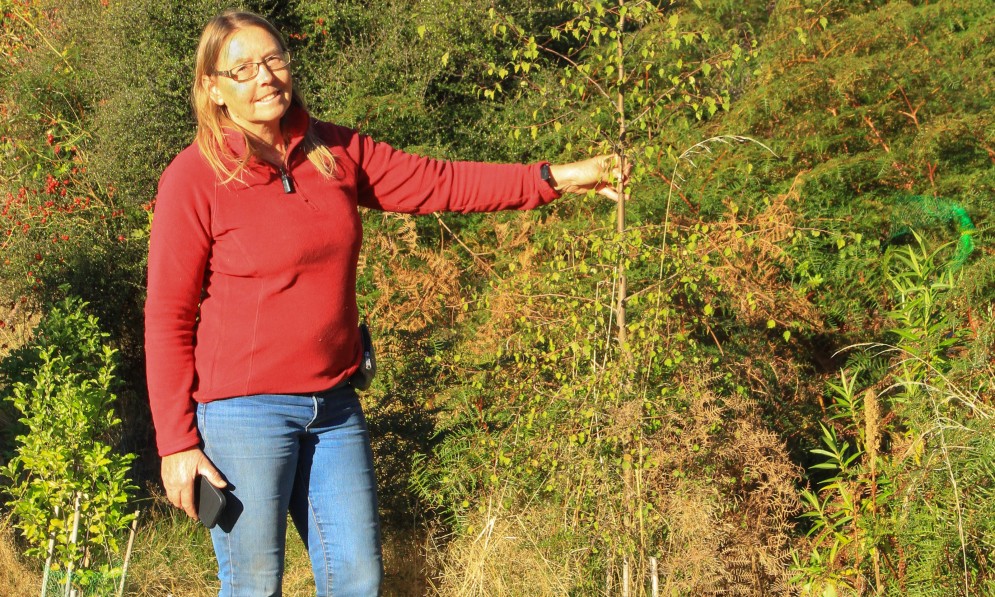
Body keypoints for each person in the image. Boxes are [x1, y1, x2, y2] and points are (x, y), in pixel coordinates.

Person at [144, 9, 628, 597]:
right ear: (213, 89)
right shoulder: (194, 179)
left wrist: (556, 178)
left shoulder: (336, 151)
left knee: (358, 580)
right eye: (242, 69)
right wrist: (177, 443)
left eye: (273, 60)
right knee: (253, 585)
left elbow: (443, 183)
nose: (265, 77)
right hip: (244, 415)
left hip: (335, 405)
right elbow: (168, 318)